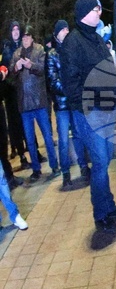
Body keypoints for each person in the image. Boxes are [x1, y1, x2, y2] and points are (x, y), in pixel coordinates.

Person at [61, 0, 116, 239]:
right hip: (90, 114)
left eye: (100, 8)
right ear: (84, 12)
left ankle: (109, 207)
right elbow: (71, 85)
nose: (100, 13)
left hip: (107, 109)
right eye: (96, 9)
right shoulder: (73, 43)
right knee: (100, 162)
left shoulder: (96, 38)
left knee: (106, 160)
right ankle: (101, 214)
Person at [10, 26, 60, 184]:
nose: (25, 39)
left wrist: (31, 65)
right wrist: (15, 68)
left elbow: (44, 69)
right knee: (30, 140)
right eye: (23, 37)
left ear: (32, 38)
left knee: (47, 135)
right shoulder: (16, 53)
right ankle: (36, 169)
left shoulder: (39, 50)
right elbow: (11, 75)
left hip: (39, 102)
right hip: (24, 104)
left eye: (27, 37)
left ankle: (54, 166)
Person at [46, 20, 91, 191]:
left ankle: (84, 168)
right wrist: (69, 90)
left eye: (66, 29)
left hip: (74, 103)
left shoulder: (73, 50)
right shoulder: (52, 55)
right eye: (62, 30)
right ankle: (65, 173)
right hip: (63, 105)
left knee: (79, 135)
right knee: (64, 139)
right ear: (56, 34)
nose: (65, 32)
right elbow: (52, 80)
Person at [2, 20, 29, 170]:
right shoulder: (7, 49)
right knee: (16, 125)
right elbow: (7, 72)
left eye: (18, 29)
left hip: (25, 92)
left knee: (27, 124)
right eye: (13, 30)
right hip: (12, 94)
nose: (16, 32)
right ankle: (21, 154)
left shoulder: (23, 45)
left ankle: (33, 150)